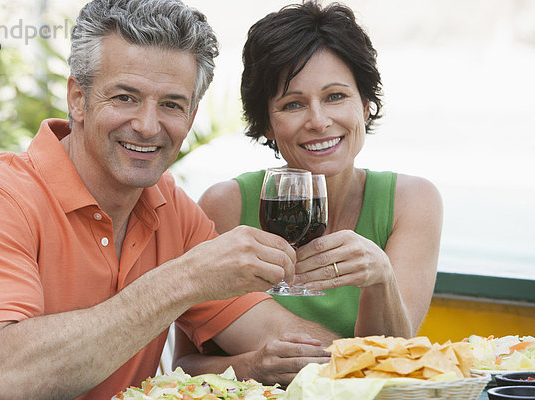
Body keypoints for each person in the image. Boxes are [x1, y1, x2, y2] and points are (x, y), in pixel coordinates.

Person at [0, 1, 337, 399]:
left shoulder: (171, 206)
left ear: (192, 116)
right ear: (78, 98)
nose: (147, 126)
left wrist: (381, 337)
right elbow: (3, 379)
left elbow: (286, 339)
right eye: (125, 97)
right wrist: (185, 279)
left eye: (171, 105)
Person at [174, 1, 443, 384]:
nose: (318, 121)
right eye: (293, 104)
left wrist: (381, 276)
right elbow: (182, 365)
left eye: (336, 97)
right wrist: (251, 367)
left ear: (366, 106)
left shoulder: (413, 202)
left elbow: (393, 368)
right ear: (267, 123)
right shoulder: (225, 205)